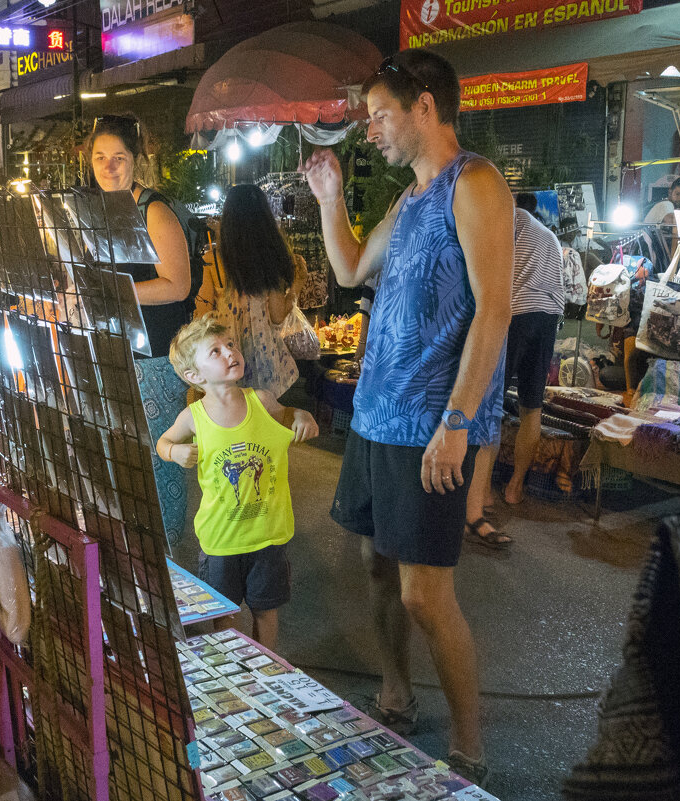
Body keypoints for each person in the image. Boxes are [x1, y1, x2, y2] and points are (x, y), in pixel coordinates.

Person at [300, 49, 513, 785]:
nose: (371, 132)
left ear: (424, 105)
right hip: (374, 414)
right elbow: (351, 269)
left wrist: (458, 419)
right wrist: (330, 197)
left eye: (379, 115)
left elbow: (493, 310)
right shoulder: (409, 197)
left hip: (429, 424)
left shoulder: (474, 183)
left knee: (425, 591)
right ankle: (394, 689)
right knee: (374, 563)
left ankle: (469, 743)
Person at [158, 316, 318, 650]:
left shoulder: (261, 400)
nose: (230, 353)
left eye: (229, 344)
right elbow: (162, 443)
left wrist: (303, 415)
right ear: (194, 376)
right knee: (224, 617)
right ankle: (230, 670)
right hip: (221, 541)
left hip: (267, 536)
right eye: (214, 351)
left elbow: (290, 416)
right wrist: (175, 451)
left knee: (266, 611)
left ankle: (267, 669)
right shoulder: (193, 417)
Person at [89, 113, 193, 546]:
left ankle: (166, 559)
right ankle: (131, 560)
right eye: (99, 158)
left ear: (135, 160)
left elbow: (178, 285)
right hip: (109, 352)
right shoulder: (96, 211)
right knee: (118, 461)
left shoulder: (154, 209)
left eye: (118, 157)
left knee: (157, 460)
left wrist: (115, 293)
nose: (109, 167)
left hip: (153, 359)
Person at [464, 200, 565, 549]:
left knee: (489, 403)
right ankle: (515, 487)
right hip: (548, 316)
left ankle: (483, 494)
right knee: (531, 407)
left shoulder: (506, 220)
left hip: (516, 313)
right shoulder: (548, 235)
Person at [210, 184, 307, 398]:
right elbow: (277, 316)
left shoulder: (214, 260)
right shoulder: (269, 261)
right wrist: (296, 287)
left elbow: (204, 314)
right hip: (266, 369)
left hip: (225, 364)